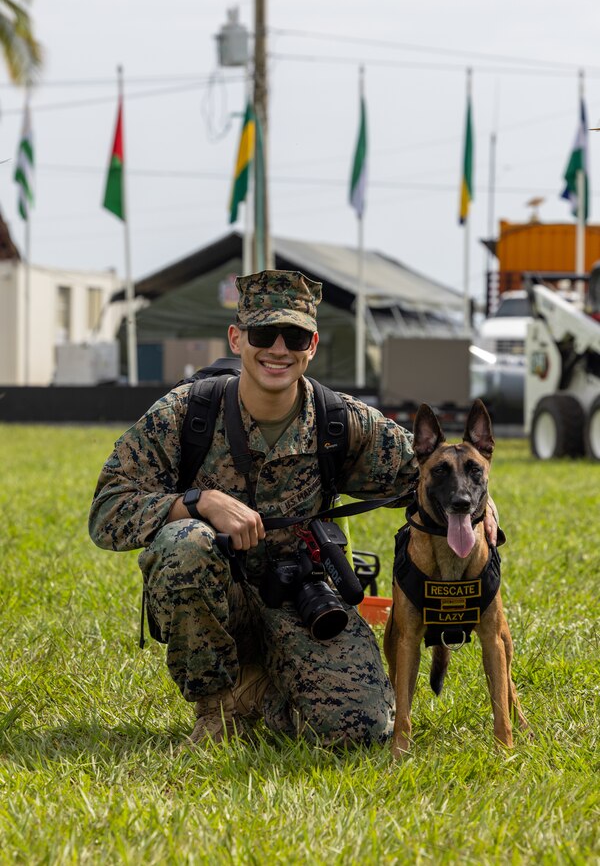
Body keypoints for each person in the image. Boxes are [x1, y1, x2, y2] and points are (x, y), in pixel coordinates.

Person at [89, 269, 495, 747]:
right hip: (219, 599)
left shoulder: (340, 421)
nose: (278, 349)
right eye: (264, 333)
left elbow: (438, 471)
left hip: (303, 603)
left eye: (295, 335)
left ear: (313, 345)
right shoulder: (185, 414)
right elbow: (108, 511)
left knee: (362, 731)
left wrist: (478, 509)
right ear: (237, 338)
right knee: (186, 545)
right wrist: (197, 502)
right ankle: (218, 711)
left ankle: (263, 689)